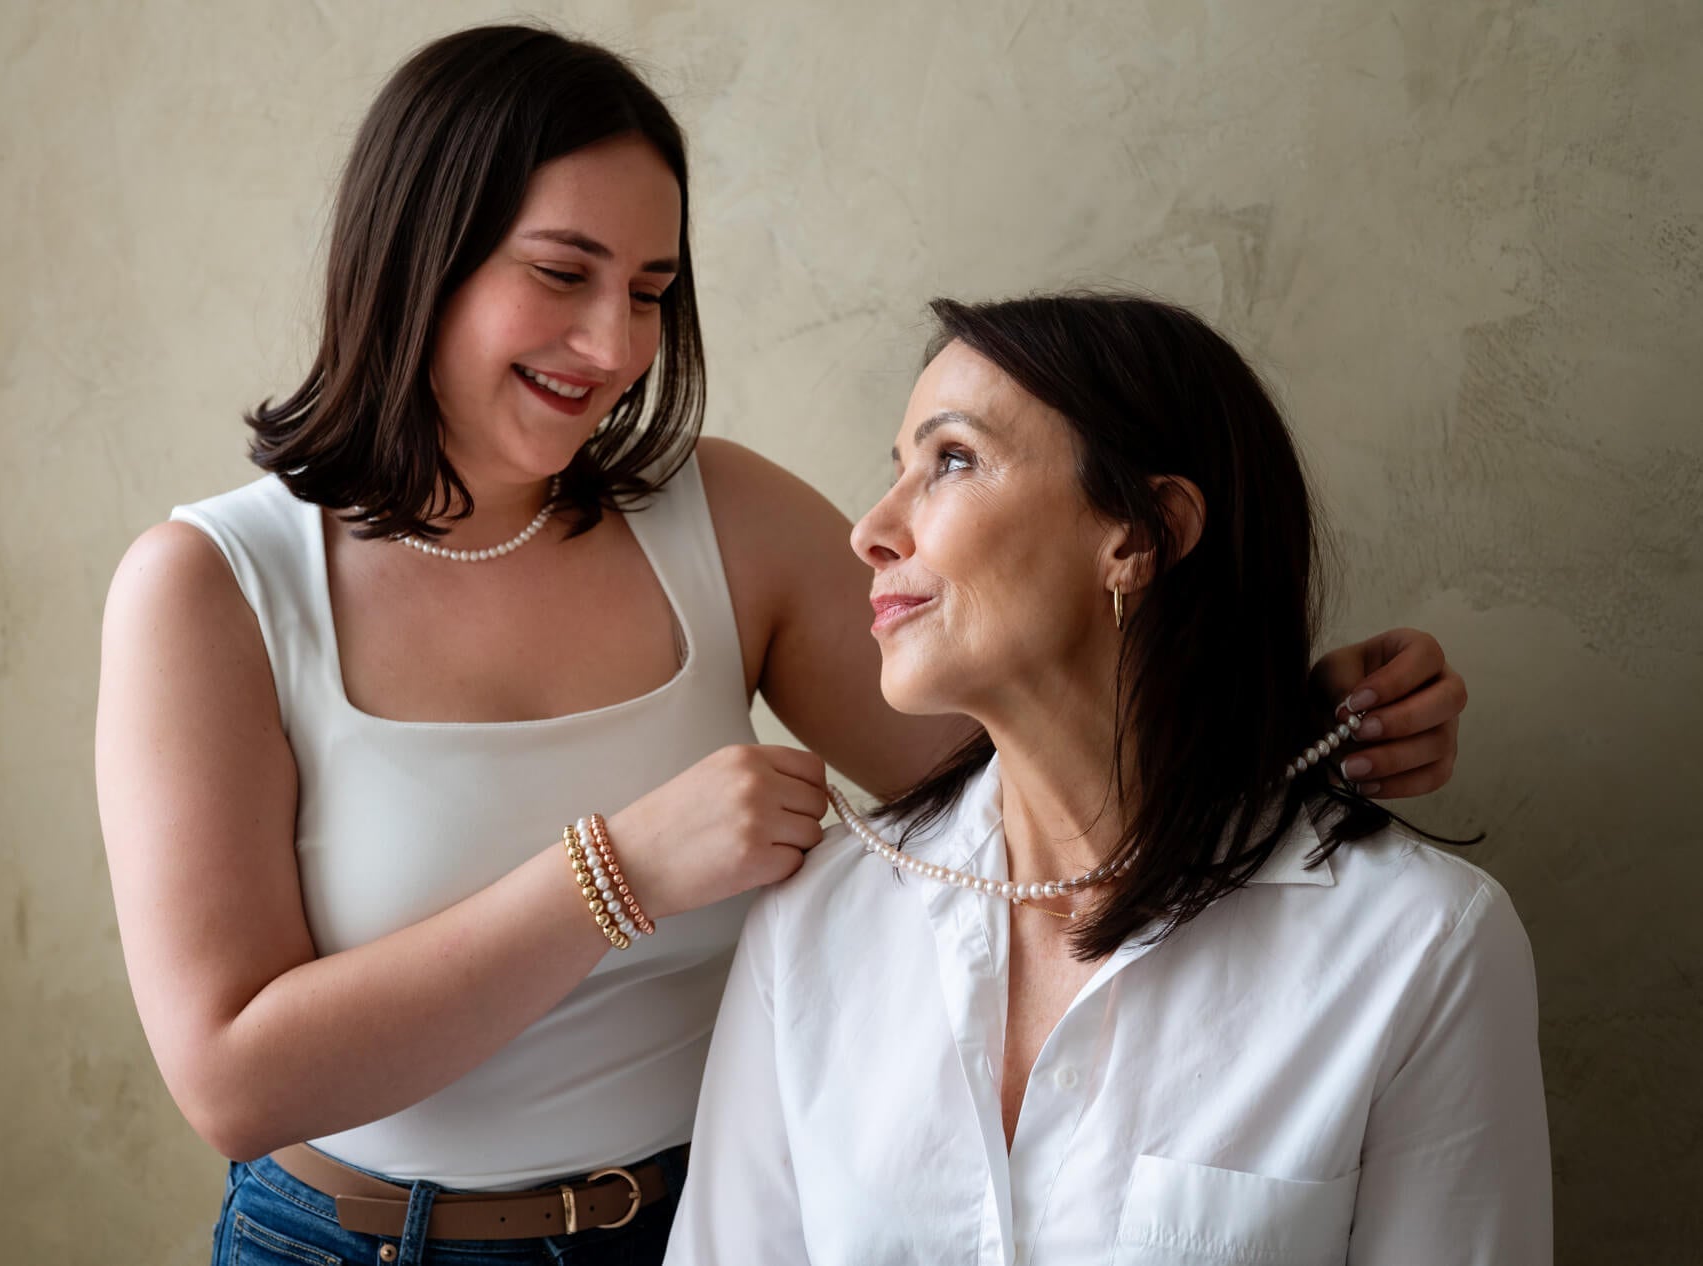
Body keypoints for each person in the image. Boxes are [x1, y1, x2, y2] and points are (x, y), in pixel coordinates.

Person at [95, 26, 1475, 1266]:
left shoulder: (722, 518)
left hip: (704, 1217)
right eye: (562, 274)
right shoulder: (213, 588)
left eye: (649, 287)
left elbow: (1043, 777)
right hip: (352, 1246)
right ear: (417, 255)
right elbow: (234, 1078)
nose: (612, 341)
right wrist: (618, 872)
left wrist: (1293, 718)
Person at [666, 292, 1549, 1265]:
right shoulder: (811, 927)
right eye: (899, 469)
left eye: (950, 460)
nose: (871, 530)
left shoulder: (1420, 947)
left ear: (1140, 534)